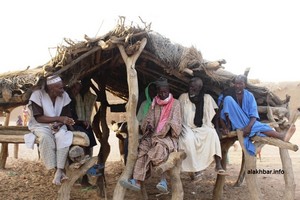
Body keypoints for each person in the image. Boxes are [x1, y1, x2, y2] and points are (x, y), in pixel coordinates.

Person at [119, 77, 182, 193]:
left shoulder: (176, 104)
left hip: (167, 137)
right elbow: (148, 118)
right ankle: (137, 181)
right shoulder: (155, 103)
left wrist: (165, 127)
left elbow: (177, 123)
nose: (162, 94)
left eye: (165, 92)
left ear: (169, 90)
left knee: (159, 148)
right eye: (160, 92)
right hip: (153, 136)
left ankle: (163, 181)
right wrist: (148, 126)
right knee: (142, 149)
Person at [218, 75, 296, 156]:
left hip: (247, 122)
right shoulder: (229, 95)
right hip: (235, 123)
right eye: (236, 84)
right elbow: (222, 113)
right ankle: (281, 136)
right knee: (228, 99)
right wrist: (225, 127)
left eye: (240, 84)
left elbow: (254, 115)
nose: (238, 86)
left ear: (245, 85)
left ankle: (282, 136)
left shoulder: (249, 96)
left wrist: (248, 127)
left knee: (259, 126)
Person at [27, 75, 75, 185]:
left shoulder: (64, 96)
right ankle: (54, 168)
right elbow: (39, 118)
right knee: (45, 138)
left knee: (63, 136)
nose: (63, 90)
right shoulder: (37, 95)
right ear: (51, 89)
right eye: (60, 88)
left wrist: (60, 123)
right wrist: (59, 118)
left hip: (57, 125)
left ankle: (59, 171)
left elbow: (65, 115)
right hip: (40, 125)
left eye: (63, 87)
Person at [178, 77, 226, 182]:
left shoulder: (207, 98)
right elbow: (177, 113)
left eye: (193, 87)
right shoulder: (183, 97)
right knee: (188, 139)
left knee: (212, 134)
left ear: (199, 88)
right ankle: (196, 170)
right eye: (190, 87)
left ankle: (218, 164)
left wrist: (217, 128)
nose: (191, 89)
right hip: (187, 126)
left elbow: (215, 113)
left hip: (203, 126)